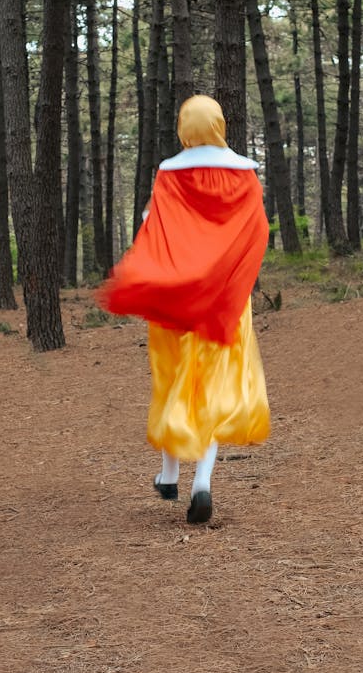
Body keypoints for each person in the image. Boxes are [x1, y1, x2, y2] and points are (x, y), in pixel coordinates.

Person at [97, 95, 271, 524]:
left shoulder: (169, 173)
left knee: (174, 381)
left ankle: (168, 475)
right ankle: (202, 484)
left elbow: (152, 225)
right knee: (210, 390)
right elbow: (257, 229)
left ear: (184, 127)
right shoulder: (246, 174)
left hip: (176, 300)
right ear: (219, 124)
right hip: (225, 303)